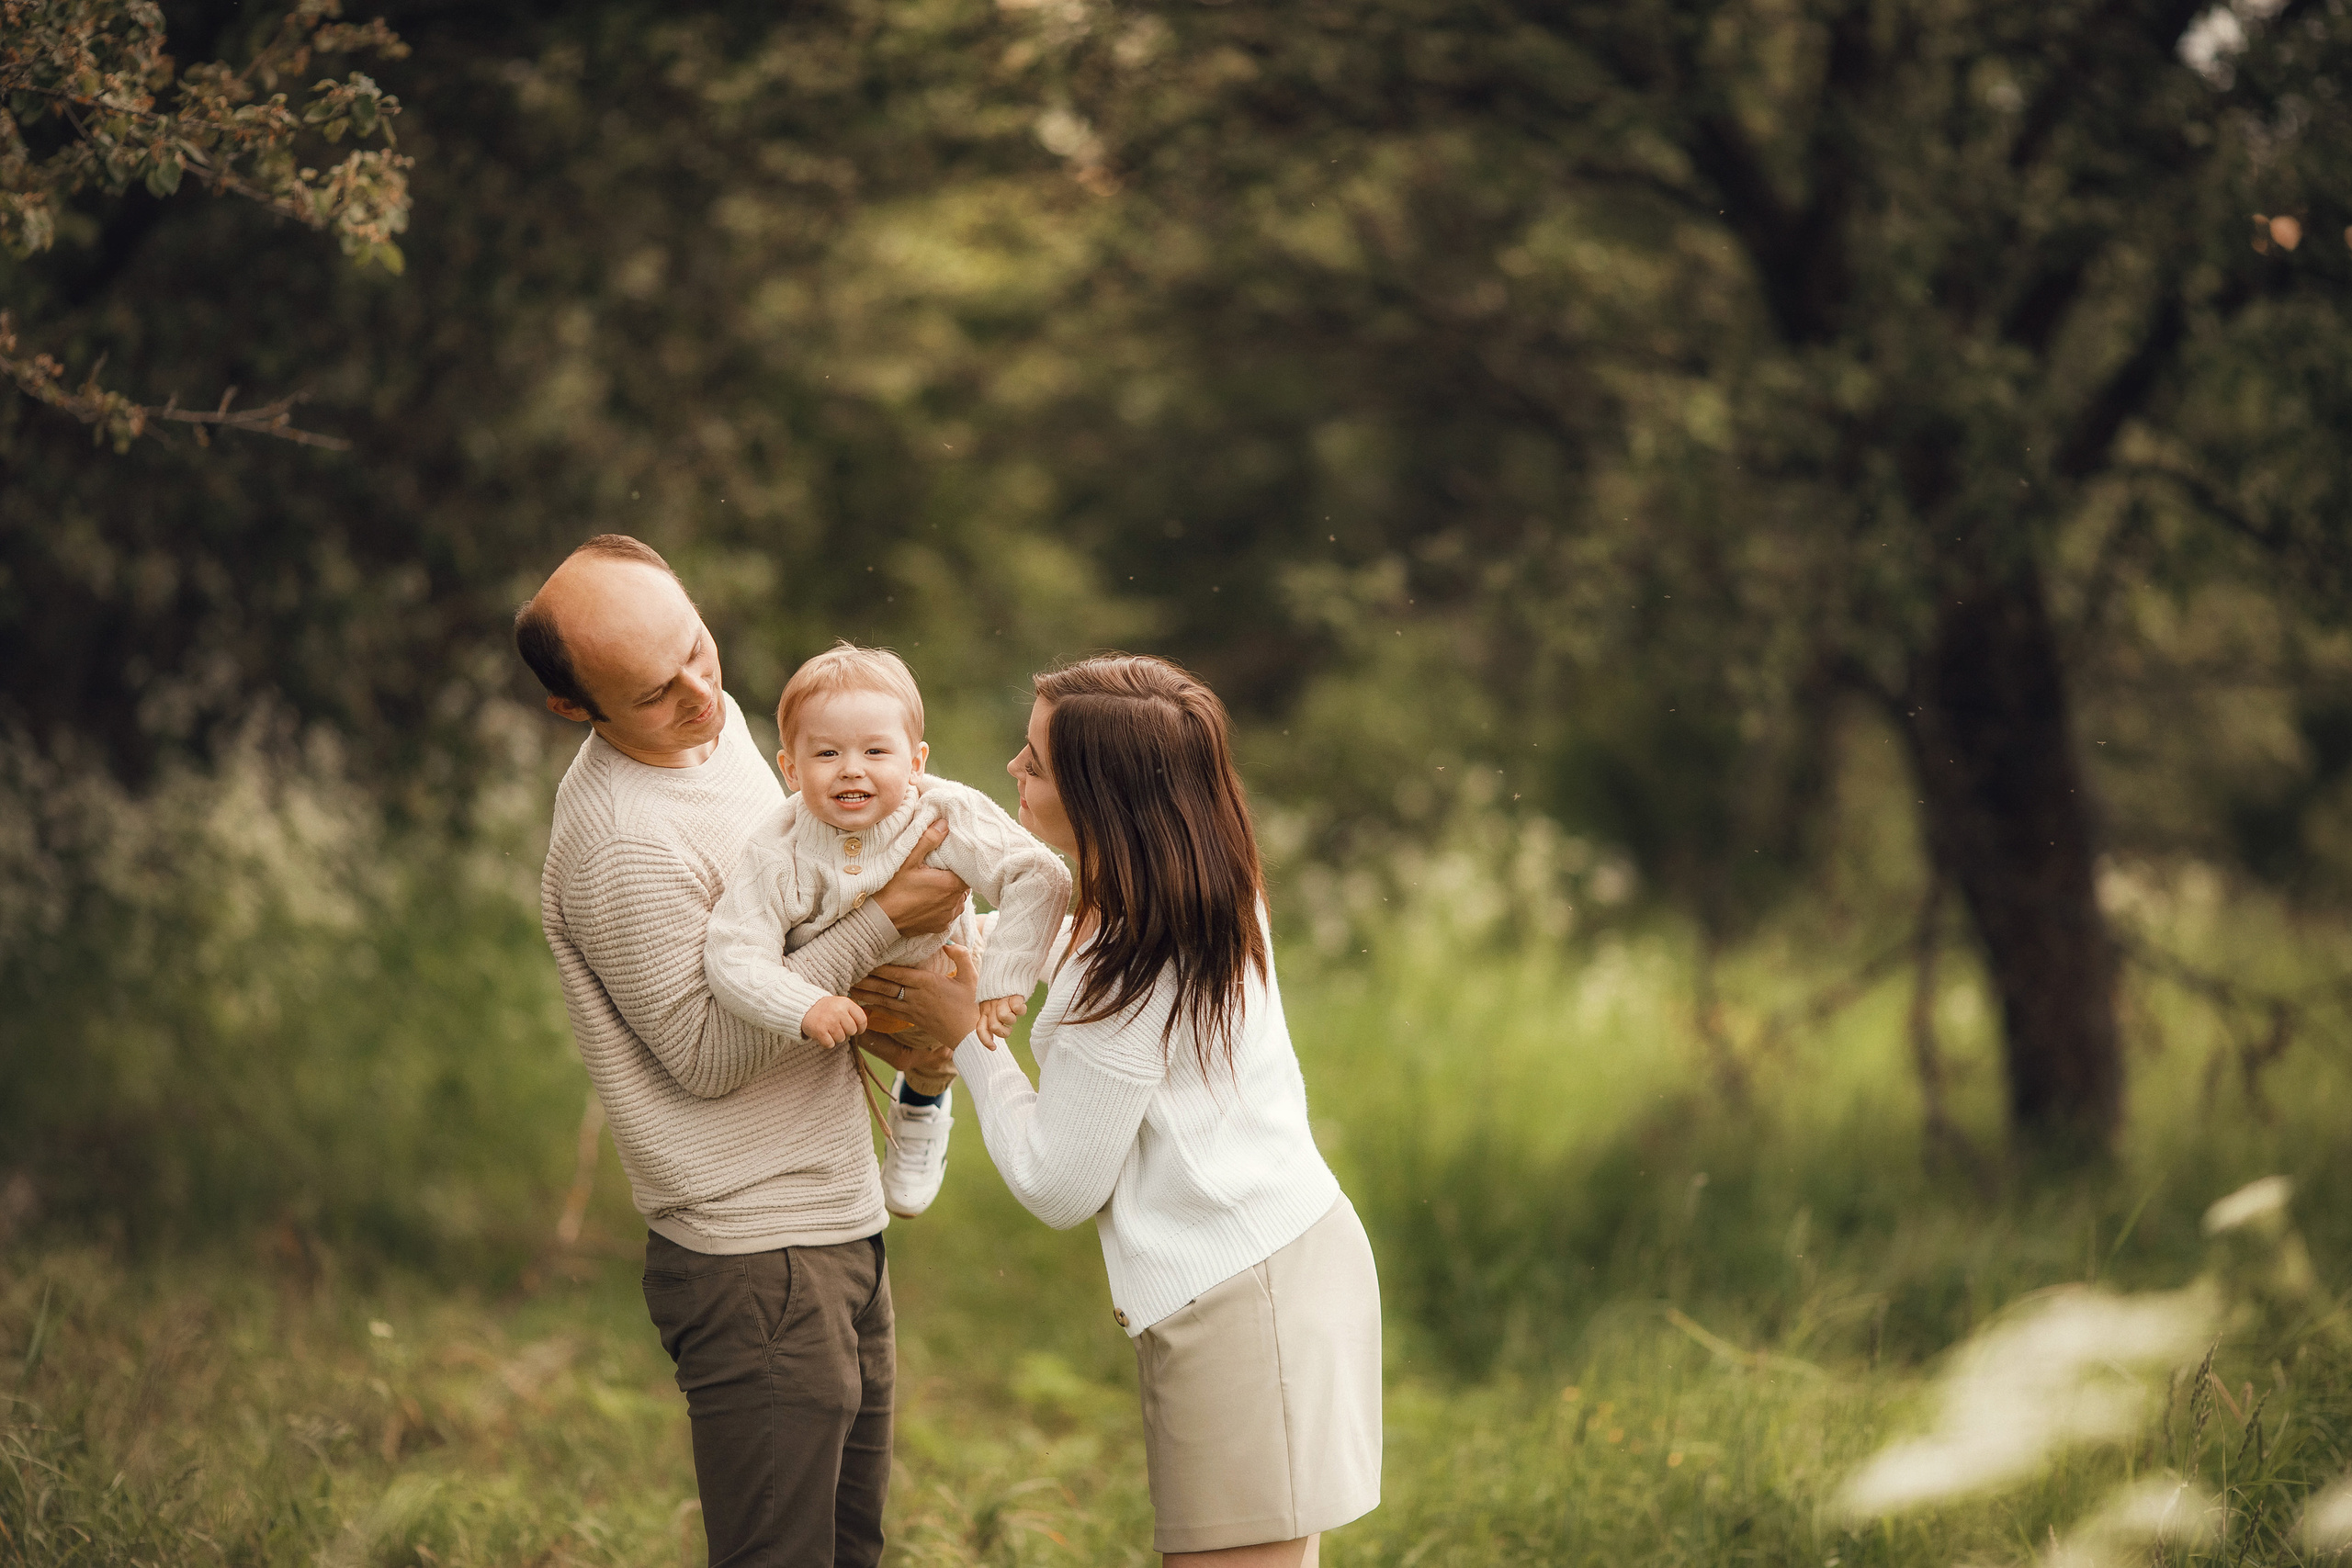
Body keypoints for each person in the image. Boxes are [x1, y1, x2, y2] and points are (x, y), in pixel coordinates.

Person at [857, 654, 1382, 1567]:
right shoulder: (1193, 889)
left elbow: (1058, 1185)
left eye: (1036, 763)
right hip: (1275, 1268)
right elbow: (1047, 942)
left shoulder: (1132, 964)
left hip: (1245, 1302)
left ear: (1105, 802)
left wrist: (968, 1034)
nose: (1013, 772)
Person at [515, 534, 966, 1568]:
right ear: (575, 709)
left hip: (835, 1216)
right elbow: (706, 1055)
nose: (698, 696)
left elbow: (802, 905)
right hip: (754, 1252)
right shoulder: (624, 839)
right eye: (652, 690)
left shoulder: (720, 741)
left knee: (853, 1549)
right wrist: (886, 918)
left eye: (697, 652)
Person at [703, 641, 1071, 1216]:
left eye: (876, 750)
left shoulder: (944, 813)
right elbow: (732, 953)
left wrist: (1004, 978)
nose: (852, 768)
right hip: (844, 1005)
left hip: (938, 971)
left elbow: (1038, 874)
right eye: (826, 753)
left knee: (935, 1052)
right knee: (825, 1062)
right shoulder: (778, 850)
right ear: (791, 770)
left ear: (916, 761)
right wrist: (800, 1005)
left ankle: (922, 1106)